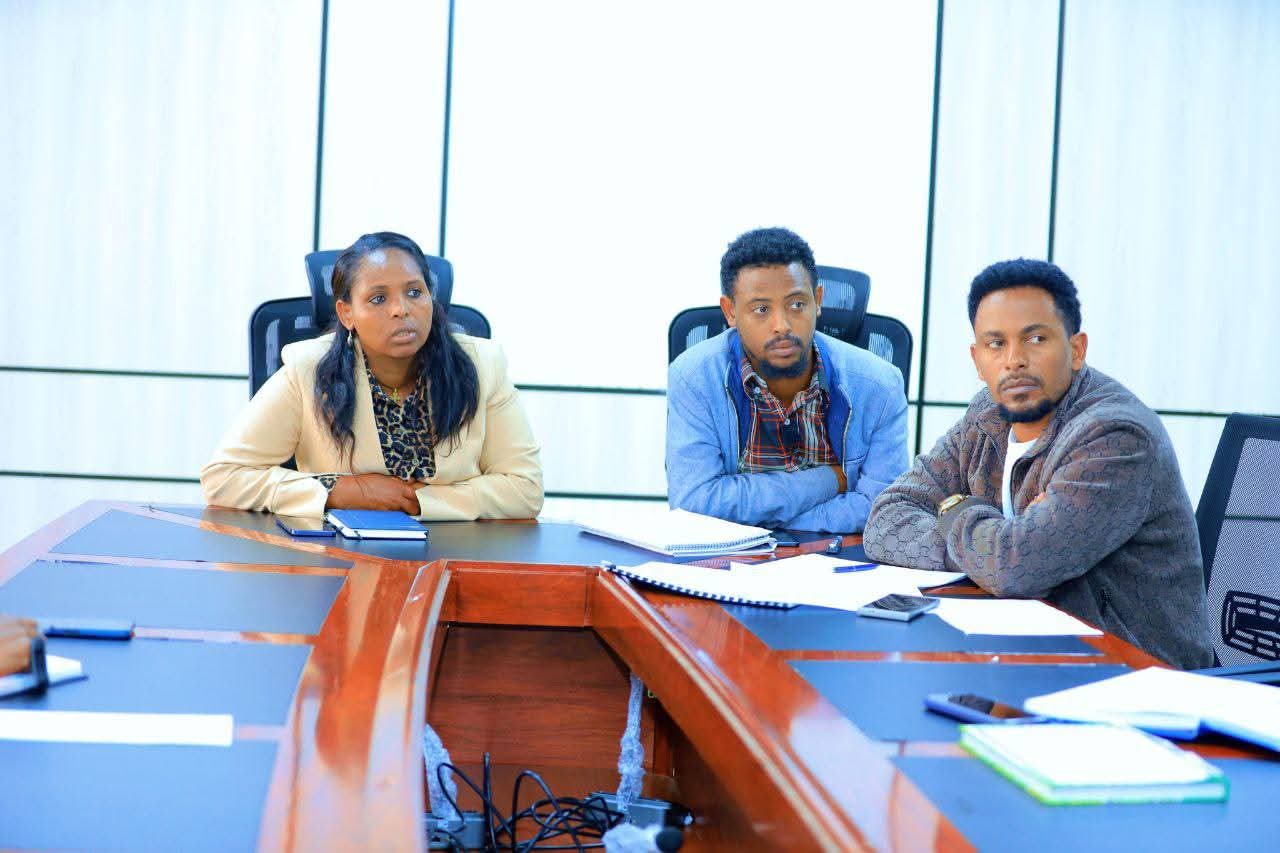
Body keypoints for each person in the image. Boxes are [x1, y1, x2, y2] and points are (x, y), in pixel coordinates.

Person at [864, 258, 1212, 669]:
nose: (1014, 360)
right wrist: (993, 546)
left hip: (1134, 672)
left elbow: (1013, 567)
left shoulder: (1116, 436)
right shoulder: (987, 413)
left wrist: (955, 509)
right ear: (977, 360)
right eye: (996, 344)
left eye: (1035, 339)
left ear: (1076, 350)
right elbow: (885, 518)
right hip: (1027, 651)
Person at [202, 232, 543, 520]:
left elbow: (525, 489)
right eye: (378, 299)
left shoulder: (483, 364)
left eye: (414, 292)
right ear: (346, 313)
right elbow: (224, 477)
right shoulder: (307, 369)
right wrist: (340, 490)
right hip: (339, 554)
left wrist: (420, 501)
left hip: (454, 550)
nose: (401, 309)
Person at [666, 227, 909, 532]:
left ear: (817, 300)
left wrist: (766, 521)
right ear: (730, 312)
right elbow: (693, 504)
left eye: (796, 305)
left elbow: (882, 510)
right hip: (733, 558)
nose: (781, 325)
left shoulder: (880, 385)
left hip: (836, 556)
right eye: (761, 309)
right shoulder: (694, 378)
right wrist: (827, 480)